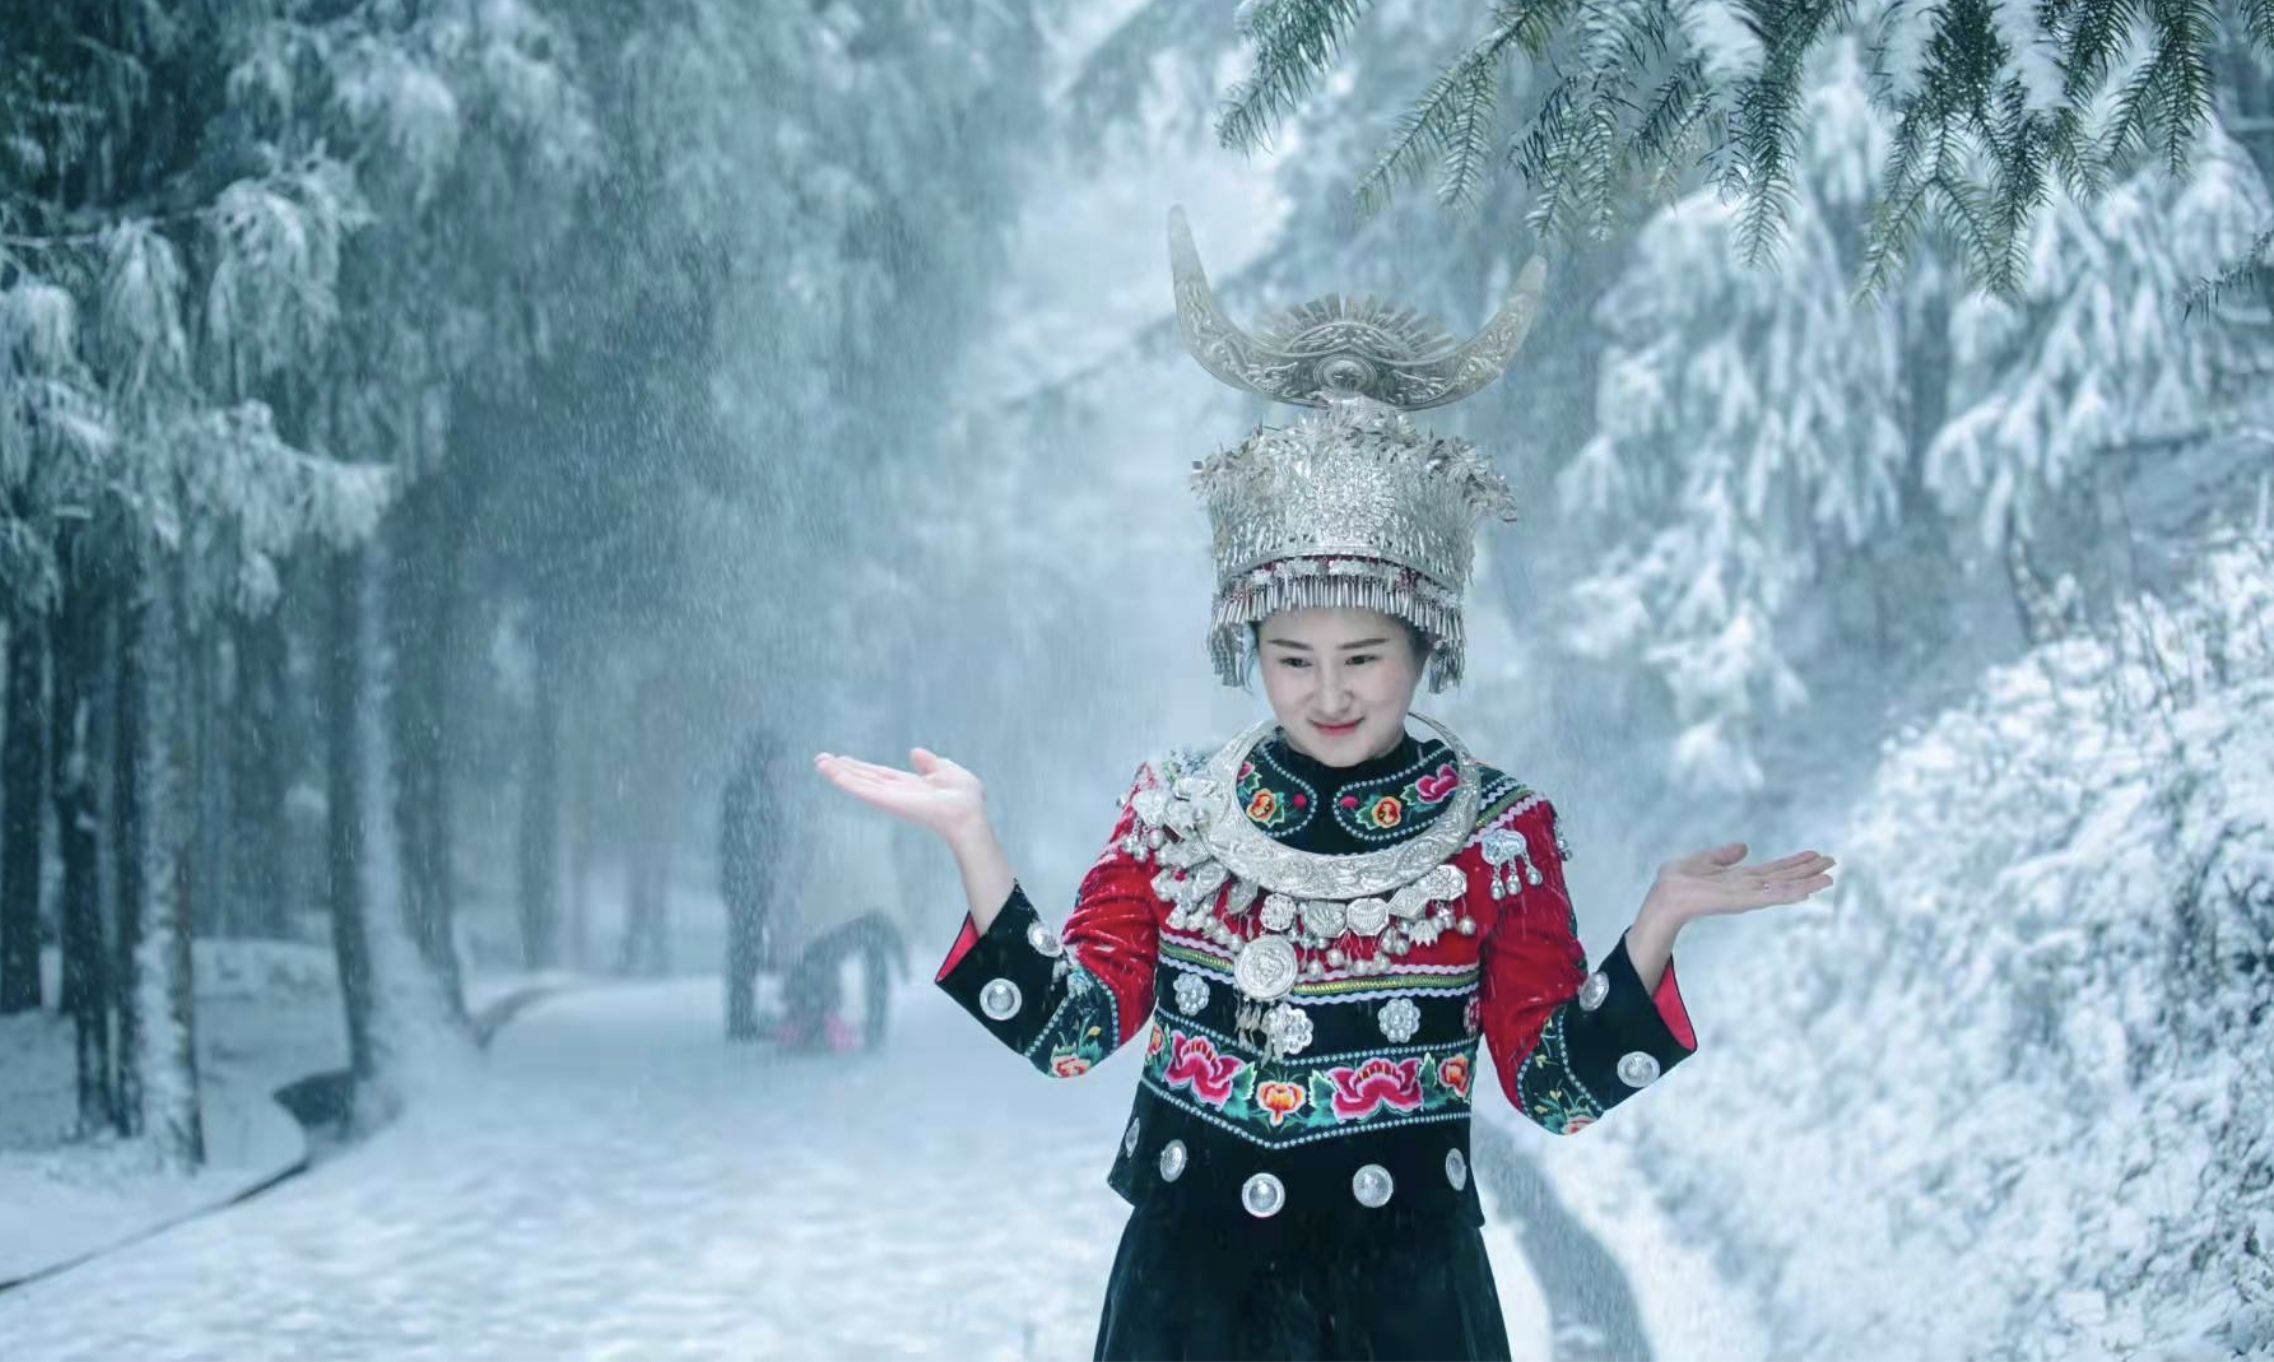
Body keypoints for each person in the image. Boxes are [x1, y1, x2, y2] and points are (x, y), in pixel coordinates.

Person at [814, 207, 1837, 1361]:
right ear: (1250, 652)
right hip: (1186, 1301)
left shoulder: (1498, 839)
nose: (1329, 694)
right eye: (1293, 661)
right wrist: (973, 840)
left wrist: (1658, 923)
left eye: (1364, 660)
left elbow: (1551, 1089)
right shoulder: (1175, 812)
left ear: (1426, 648)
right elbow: (1071, 1033)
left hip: (1406, 1306)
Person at [720, 728, 785, 1041]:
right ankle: (741, 1020)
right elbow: (752, 842)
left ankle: (740, 1016)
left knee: (745, 949)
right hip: (748, 883)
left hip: (747, 882)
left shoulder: (747, 788)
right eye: (776, 760)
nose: (780, 768)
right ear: (765, 759)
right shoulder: (752, 791)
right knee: (745, 950)